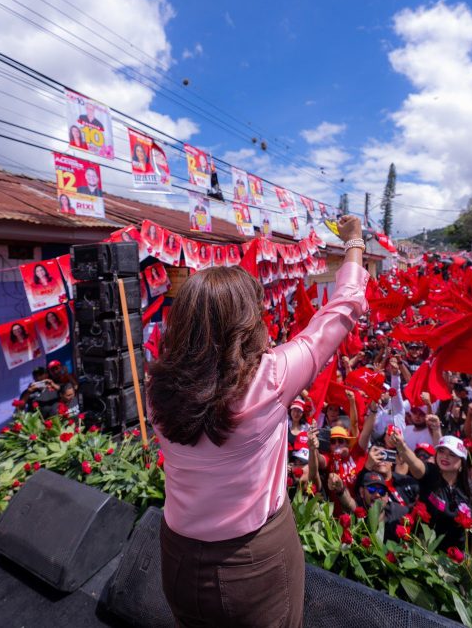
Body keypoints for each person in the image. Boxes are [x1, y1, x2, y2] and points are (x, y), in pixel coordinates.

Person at [148, 214, 365, 628]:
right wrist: (354, 242)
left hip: (176, 557)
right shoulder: (272, 378)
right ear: (246, 324)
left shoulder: (157, 387)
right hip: (254, 563)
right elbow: (341, 311)